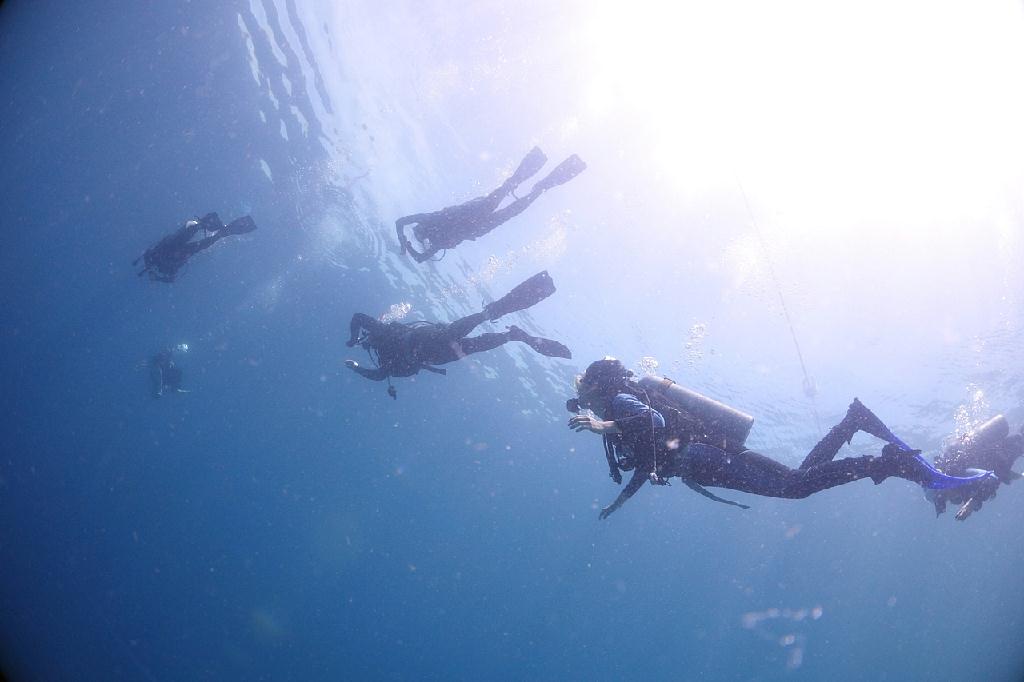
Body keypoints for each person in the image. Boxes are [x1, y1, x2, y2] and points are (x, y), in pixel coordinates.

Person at [566, 358, 995, 520]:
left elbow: (655, 426)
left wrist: (602, 425)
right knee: (799, 478)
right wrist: (618, 504)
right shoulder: (622, 402)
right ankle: (851, 422)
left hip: (701, 458)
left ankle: (883, 463)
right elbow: (648, 459)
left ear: (598, 387)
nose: (584, 399)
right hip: (707, 452)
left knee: (793, 488)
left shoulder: (619, 402)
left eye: (584, 390)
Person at [344, 271, 571, 394]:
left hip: (428, 349)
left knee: (469, 344)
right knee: (466, 340)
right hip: (428, 348)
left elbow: (359, 319)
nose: (369, 339)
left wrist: (354, 348)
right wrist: (354, 350)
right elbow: (380, 372)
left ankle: (502, 329)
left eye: (366, 338)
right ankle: (502, 326)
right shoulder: (384, 349)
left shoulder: (383, 335)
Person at [395, 147, 586, 262]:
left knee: (516, 205)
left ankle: (544, 180)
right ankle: (539, 163)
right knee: (508, 190)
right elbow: (401, 223)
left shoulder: (433, 229)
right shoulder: (432, 227)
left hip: (477, 222)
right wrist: (404, 241)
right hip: (476, 218)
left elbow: (419, 256)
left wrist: (407, 246)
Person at [926, 415, 1023, 520]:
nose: (949, 499)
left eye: (944, 497)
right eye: (944, 501)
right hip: (998, 455)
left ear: (943, 487)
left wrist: (972, 503)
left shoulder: (959, 473)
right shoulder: (953, 473)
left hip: (1000, 454)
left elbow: (991, 477)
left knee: (1020, 440)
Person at [135, 212, 257, 282]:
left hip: (174, 247)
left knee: (195, 240)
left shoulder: (158, 260)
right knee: (199, 242)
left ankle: (208, 227)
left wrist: (156, 277)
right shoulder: (163, 265)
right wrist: (157, 277)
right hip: (177, 249)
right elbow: (171, 277)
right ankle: (215, 229)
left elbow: (171, 277)